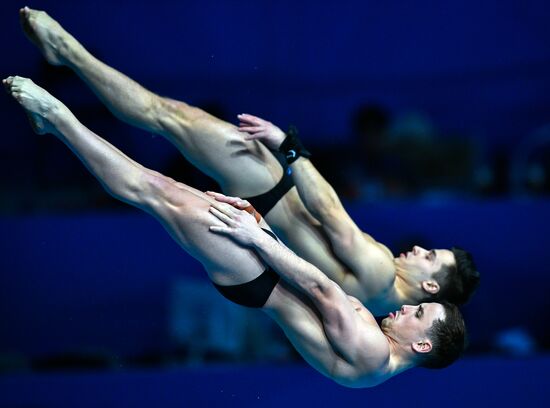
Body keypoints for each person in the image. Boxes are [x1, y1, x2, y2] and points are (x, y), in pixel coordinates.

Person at [3, 75, 466, 387]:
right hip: (262, 266)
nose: (406, 313)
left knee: (154, 190)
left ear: (421, 344)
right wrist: (265, 234)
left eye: (417, 316)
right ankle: (55, 123)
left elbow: (323, 291)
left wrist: (257, 235)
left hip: (256, 271)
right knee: (159, 188)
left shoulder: (371, 354)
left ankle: (58, 118)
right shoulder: (376, 355)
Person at [18, 8, 479, 316]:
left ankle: (67, 63)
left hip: (267, 202)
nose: (419, 250)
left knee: (167, 127)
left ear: (432, 287)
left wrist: (290, 147)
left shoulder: (380, 271)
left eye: (429, 257)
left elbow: (330, 214)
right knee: (159, 163)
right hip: (258, 244)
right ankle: (63, 86)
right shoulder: (377, 307)